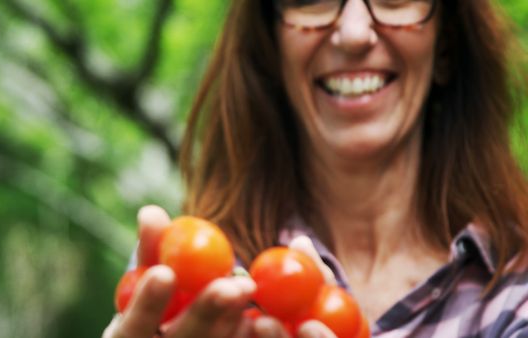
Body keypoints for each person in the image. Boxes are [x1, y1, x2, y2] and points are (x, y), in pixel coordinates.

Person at [103, 0, 528, 337]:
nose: (354, 34)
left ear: (446, 45)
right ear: (271, 46)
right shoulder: (187, 284)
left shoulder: (516, 288)